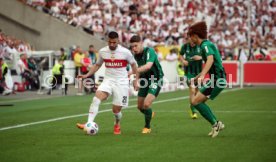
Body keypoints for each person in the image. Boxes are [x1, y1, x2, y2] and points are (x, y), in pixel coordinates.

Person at [76, 31, 138, 135]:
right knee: (96, 98)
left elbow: (134, 65)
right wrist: (86, 75)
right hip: (108, 80)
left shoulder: (125, 52)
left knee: (116, 111)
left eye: (114, 42)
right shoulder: (102, 51)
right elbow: (97, 65)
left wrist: (136, 80)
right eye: (110, 42)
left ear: (118, 41)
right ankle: (89, 122)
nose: (112, 44)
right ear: (107, 40)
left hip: (121, 82)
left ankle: (117, 123)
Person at [188, 21, 227, 138]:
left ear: (195, 36)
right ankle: (217, 123)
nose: (189, 39)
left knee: (195, 102)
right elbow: (210, 63)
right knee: (198, 102)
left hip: (217, 80)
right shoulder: (204, 45)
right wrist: (197, 77)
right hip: (215, 79)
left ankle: (215, 124)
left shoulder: (205, 45)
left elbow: (210, 60)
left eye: (190, 36)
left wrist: (202, 75)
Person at [130, 35, 164, 134]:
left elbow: (148, 66)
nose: (134, 48)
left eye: (136, 46)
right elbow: (139, 69)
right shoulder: (136, 56)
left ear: (141, 43)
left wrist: (132, 72)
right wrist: (136, 81)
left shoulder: (150, 51)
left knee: (146, 104)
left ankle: (147, 127)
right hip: (145, 79)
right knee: (140, 107)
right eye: (132, 47)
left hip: (156, 79)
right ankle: (150, 113)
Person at [179, 38, 203, 119]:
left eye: (193, 41)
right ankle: (193, 111)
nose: (192, 42)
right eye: (190, 40)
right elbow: (181, 55)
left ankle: (192, 105)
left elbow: (207, 57)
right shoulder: (185, 46)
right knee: (192, 90)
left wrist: (200, 57)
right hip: (189, 72)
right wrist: (183, 61)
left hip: (199, 72)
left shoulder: (201, 46)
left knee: (198, 92)